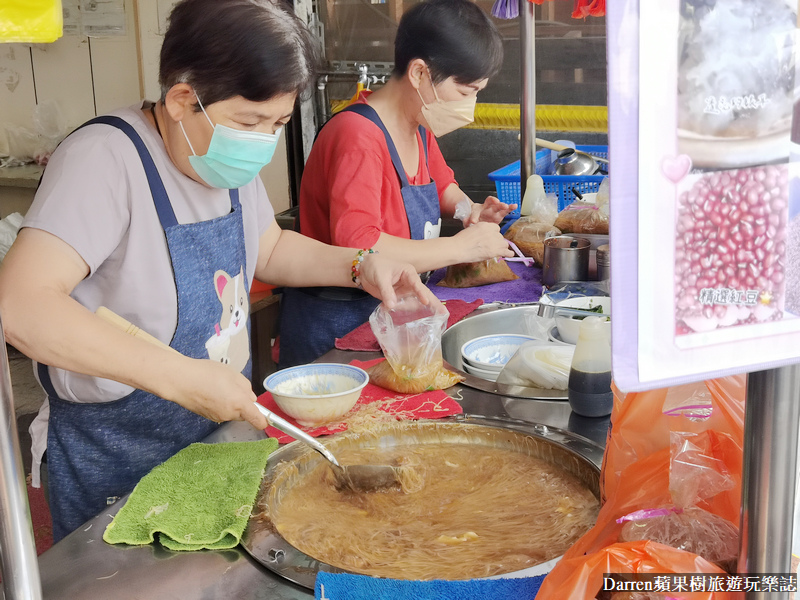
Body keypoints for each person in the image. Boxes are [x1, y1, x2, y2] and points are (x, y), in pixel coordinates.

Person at [0, 0, 438, 542]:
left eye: (276, 124)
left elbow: (269, 249)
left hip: (215, 435)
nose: (261, 141)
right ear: (183, 98)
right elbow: (22, 304)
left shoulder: (223, 159)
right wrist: (181, 377)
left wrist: (360, 265)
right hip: (117, 449)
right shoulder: (105, 158)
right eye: (249, 122)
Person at [278, 0, 516, 368]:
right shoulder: (357, 136)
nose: (471, 104)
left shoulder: (417, 125)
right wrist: (458, 248)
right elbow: (361, 245)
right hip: (336, 330)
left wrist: (470, 211)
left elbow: (441, 186)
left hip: (390, 315)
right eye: (467, 91)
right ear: (420, 73)